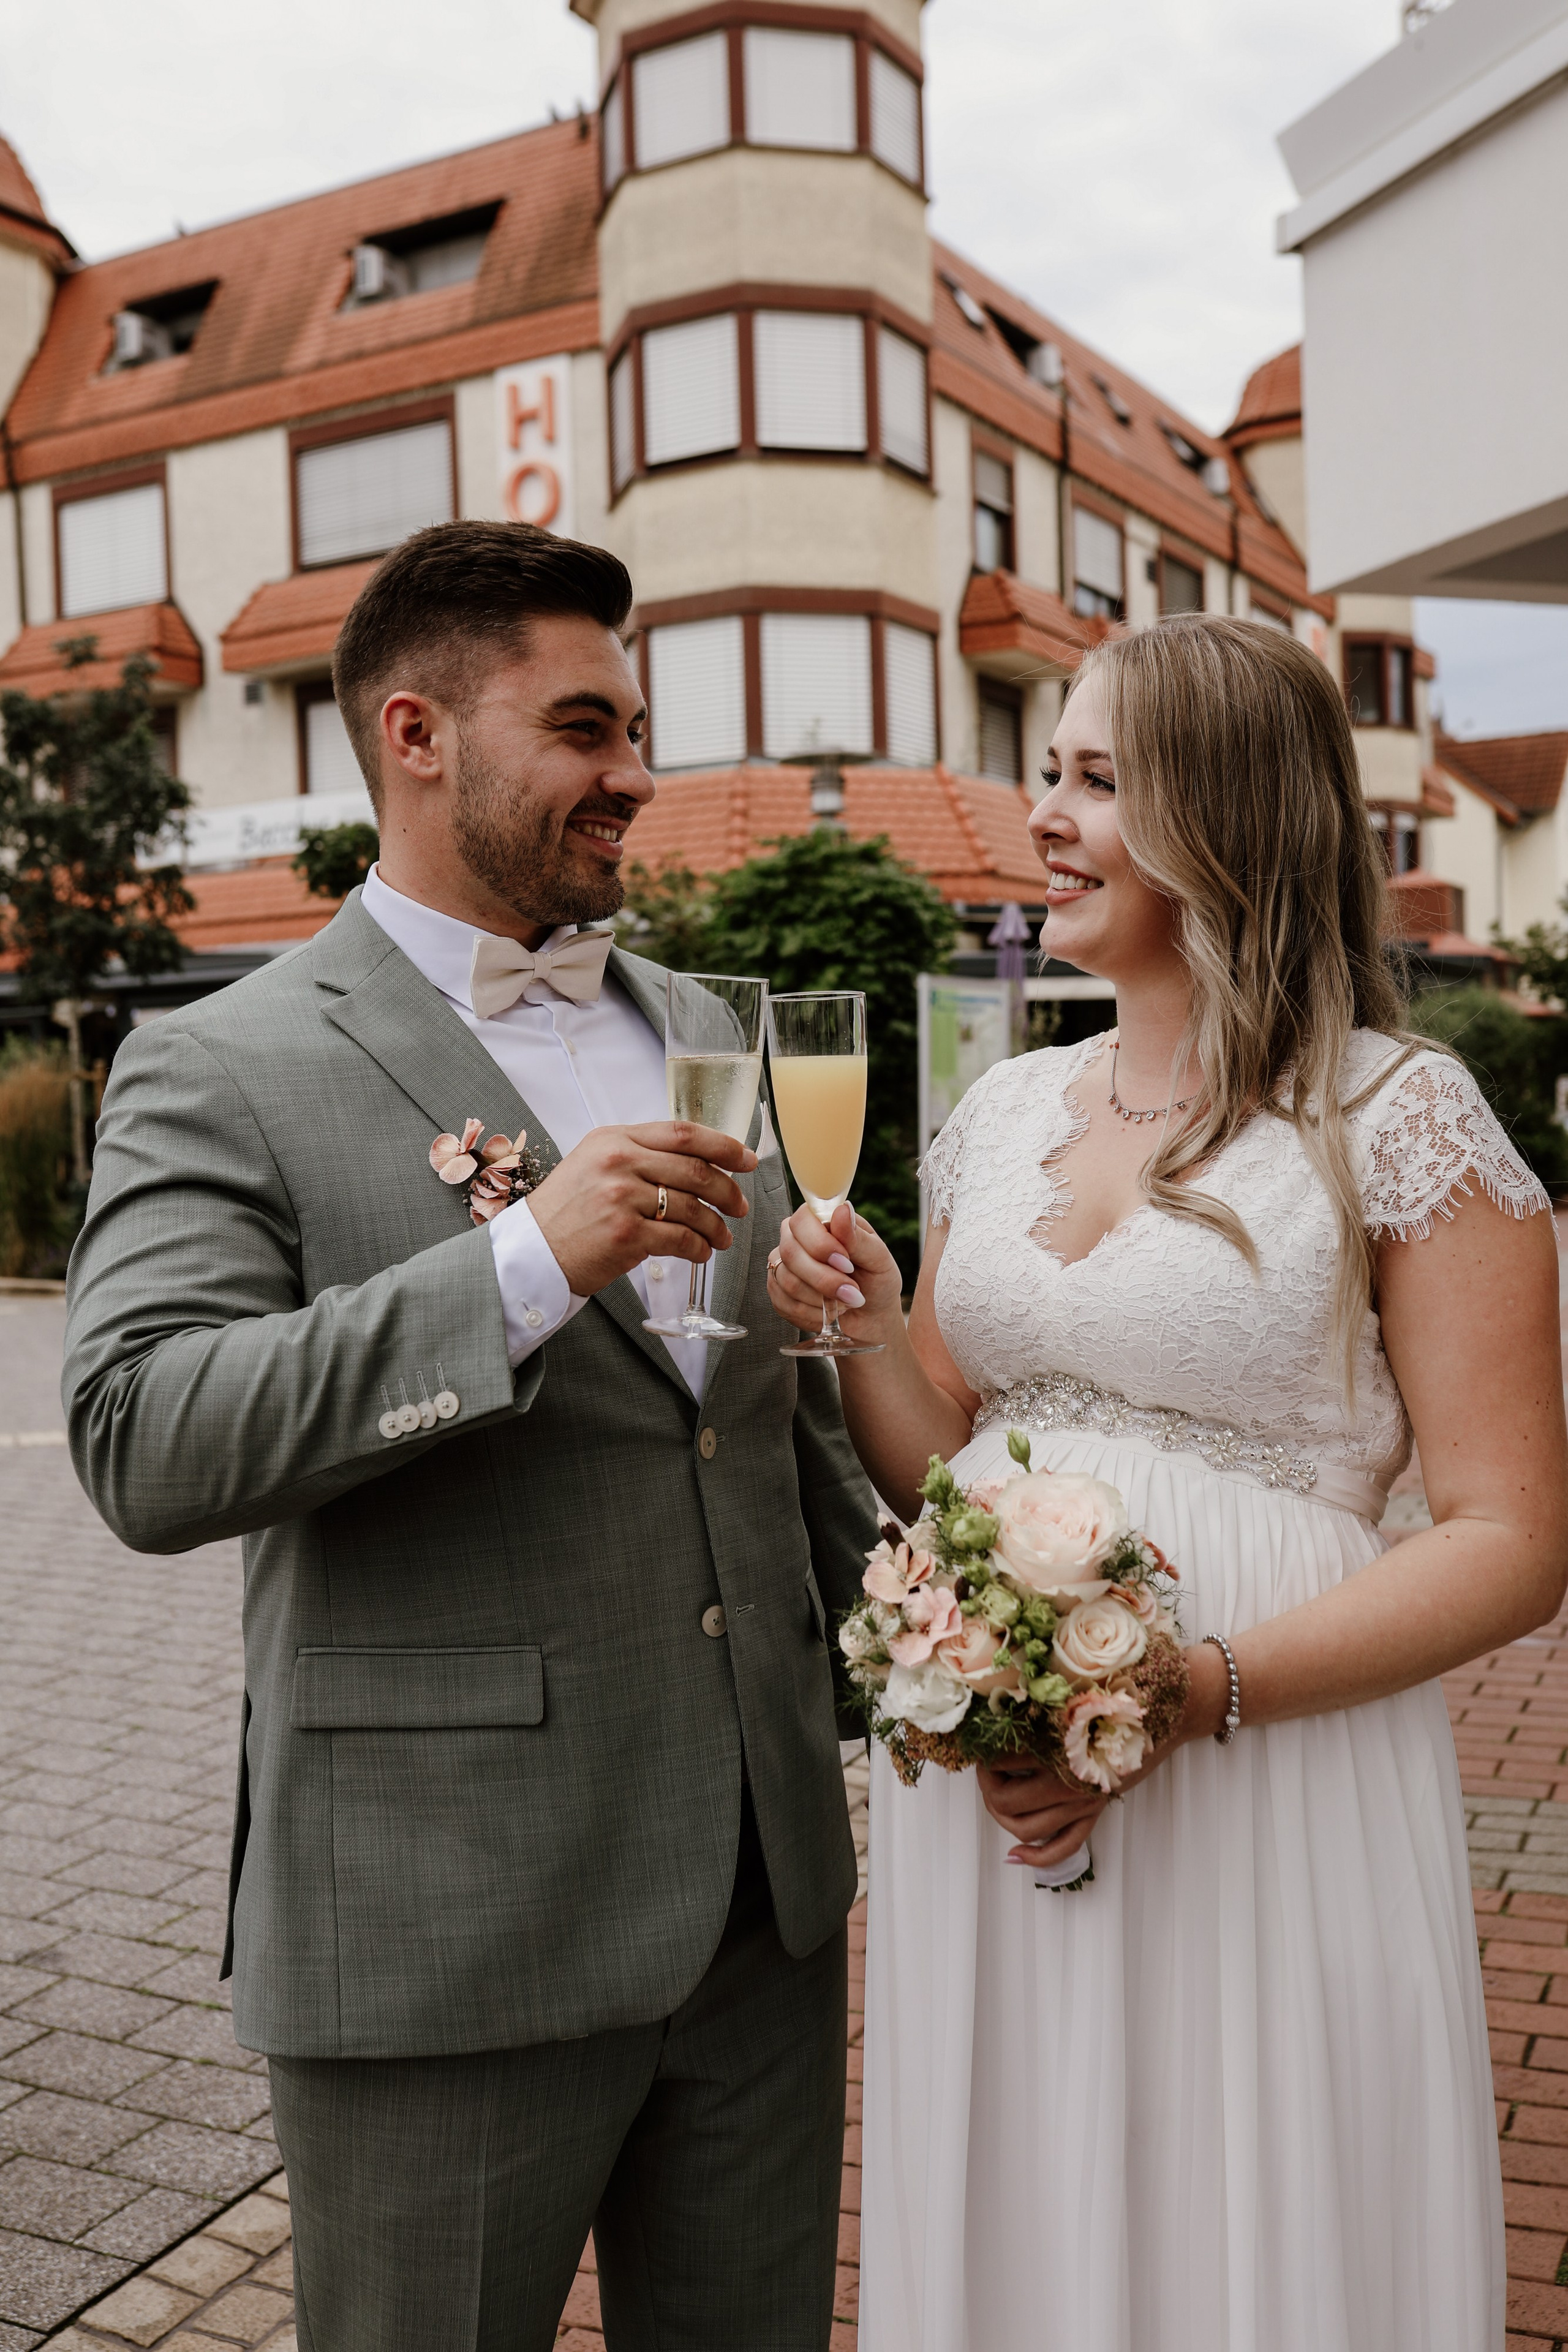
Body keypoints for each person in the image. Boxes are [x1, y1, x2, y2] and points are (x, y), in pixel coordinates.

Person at [63, 520, 877, 2352]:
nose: (638, 775)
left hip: (762, 1906)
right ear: (417, 736)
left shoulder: (700, 1025)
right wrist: (522, 1263)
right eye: (586, 727)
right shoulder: (224, 1063)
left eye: (635, 727)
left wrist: (955, 1663)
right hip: (449, 1922)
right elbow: (137, 1437)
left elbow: (748, 1418)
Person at [769, 614, 1568, 2352]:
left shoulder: (1400, 1116)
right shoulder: (1000, 1110)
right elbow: (942, 1468)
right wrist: (866, 1338)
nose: (1042, 814)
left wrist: (1193, 1691)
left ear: (1230, 809)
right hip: (998, 1789)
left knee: (1250, 2206)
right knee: (1023, 2189)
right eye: (1047, 771)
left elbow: (1513, 1545)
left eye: (1097, 779)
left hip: (1264, 1771)